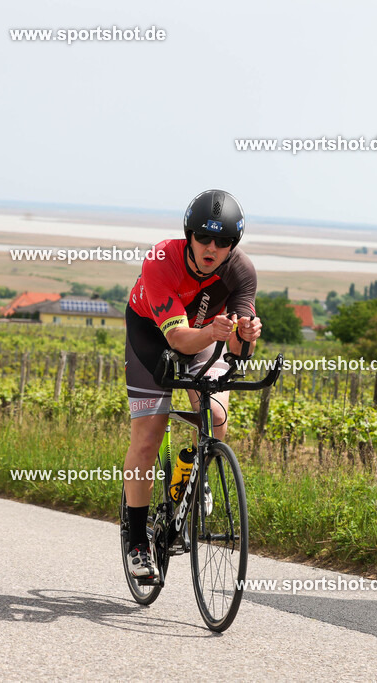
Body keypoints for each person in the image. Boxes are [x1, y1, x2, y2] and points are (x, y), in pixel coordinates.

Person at [122, 189, 262, 579]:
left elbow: (237, 348)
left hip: (202, 333)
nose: (211, 247)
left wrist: (247, 333)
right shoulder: (161, 259)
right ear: (189, 235)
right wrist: (217, 332)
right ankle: (136, 540)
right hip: (153, 335)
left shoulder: (241, 272)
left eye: (222, 242)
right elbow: (179, 340)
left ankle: (191, 471)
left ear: (232, 245)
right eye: (204, 238)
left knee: (216, 416)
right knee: (149, 436)